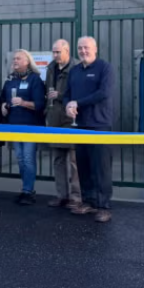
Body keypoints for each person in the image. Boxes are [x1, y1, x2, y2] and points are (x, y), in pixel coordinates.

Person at [64, 36, 115, 223]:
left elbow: (103, 93)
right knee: (83, 166)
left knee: (101, 167)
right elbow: (67, 94)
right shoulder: (75, 71)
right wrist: (68, 105)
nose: (83, 51)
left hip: (100, 124)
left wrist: (77, 103)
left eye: (86, 47)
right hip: (80, 125)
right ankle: (89, 202)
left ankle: (103, 207)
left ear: (95, 48)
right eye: (80, 48)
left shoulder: (105, 68)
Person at [0, 49, 46, 205]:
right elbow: (4, 98)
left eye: (18, 59)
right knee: (20, 159)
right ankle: (26, 188)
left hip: (30, 126)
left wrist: (23, 102)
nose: (15, 61)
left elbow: (39, 105)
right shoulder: (10, 80)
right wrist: (3, 106)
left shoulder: (35, 80)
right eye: (14, 59)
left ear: (27, 62)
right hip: (14, 125)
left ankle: (28, 191)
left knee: (28, 159)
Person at [45, 39, 81, 209]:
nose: (55, 55)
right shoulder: (51, 68)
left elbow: (79, 92)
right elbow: (47, 90)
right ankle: (62, 195)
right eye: (53, 52)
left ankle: (76, 197)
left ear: (67, 51)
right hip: (54, 118)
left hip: (70, 118)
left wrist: (59, 95)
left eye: (58, 52)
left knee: (74, 160)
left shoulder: (77, 67)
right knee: (58, 159)